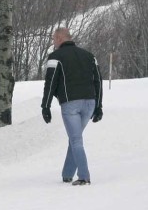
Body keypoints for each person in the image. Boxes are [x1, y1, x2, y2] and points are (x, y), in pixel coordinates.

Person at [40, 27, 104, 186]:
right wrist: (99, 106)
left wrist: (45, 106)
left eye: (53, 39)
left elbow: (50, 82)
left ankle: (84, 176)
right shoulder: (89, 56)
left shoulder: (56, 57)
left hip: (71, 104)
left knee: (76, 140)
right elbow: (98, 81)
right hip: (90, 102)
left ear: (60, 38)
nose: (53, 42)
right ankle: (67, 173)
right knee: (75, 138)